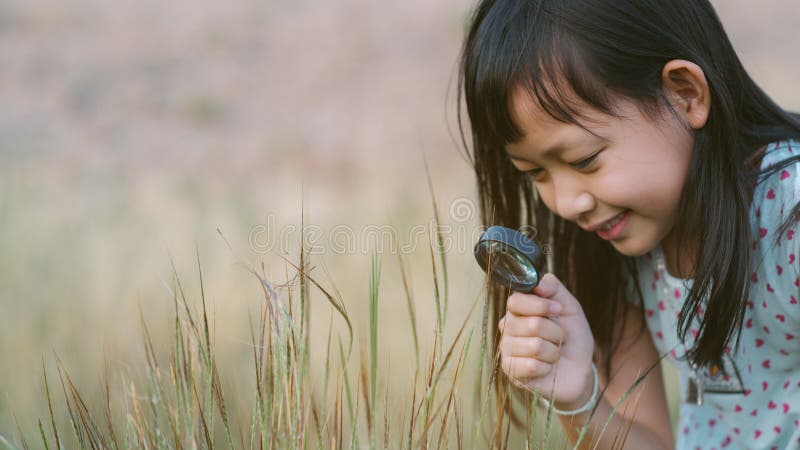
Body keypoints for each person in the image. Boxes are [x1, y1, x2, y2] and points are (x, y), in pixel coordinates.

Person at [457, 1, 800, 448]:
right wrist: (579, 397)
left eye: (584, 160)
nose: (565, 203)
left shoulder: (788, 219)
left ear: (685, 95)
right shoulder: (623, 252)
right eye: (536, 173)